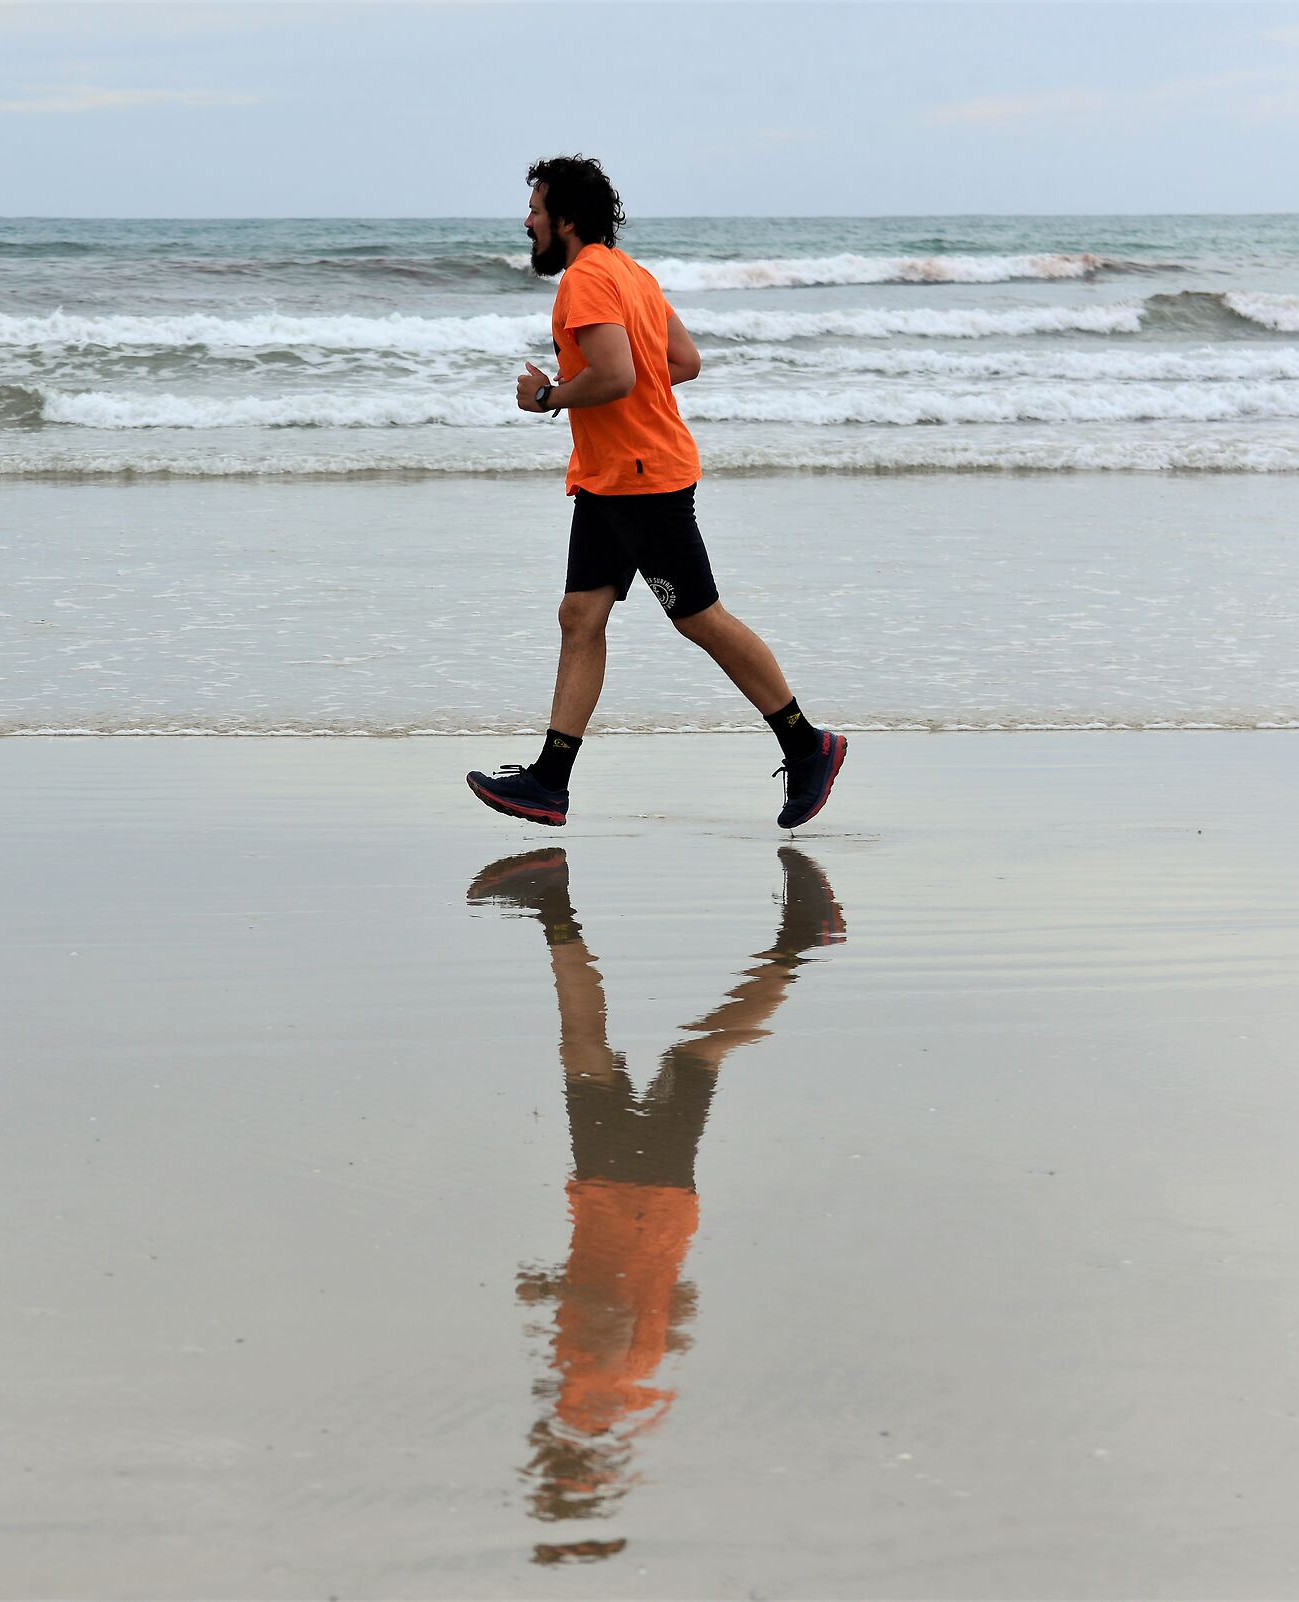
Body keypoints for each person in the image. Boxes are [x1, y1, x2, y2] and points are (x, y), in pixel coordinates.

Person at [469, 844, 847, 1561]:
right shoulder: (590, 1391)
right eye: (544, 1473)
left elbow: (680, 1316)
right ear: (564, 1459)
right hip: (623, 1196)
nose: (532, 1456)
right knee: (655, 1054)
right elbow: (612, 1314)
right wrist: (552, 1292)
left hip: (654, 1209)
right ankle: (798, 940)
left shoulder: (636, 1396)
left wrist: (637, 1286)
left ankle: (560, 909)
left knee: (632, 1053)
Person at [465, 156, 846, 832]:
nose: (527, 221)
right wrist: (608, 387)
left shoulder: (586, 279)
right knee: (580, 616)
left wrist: (550, 395)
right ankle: (549, 780)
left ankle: (805, 744)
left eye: (536, 209)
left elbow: (615, 375)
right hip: (610, 476)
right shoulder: (632, 274)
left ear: (566, 220)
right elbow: (683, 363)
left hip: (642, 478)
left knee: (698, 617)